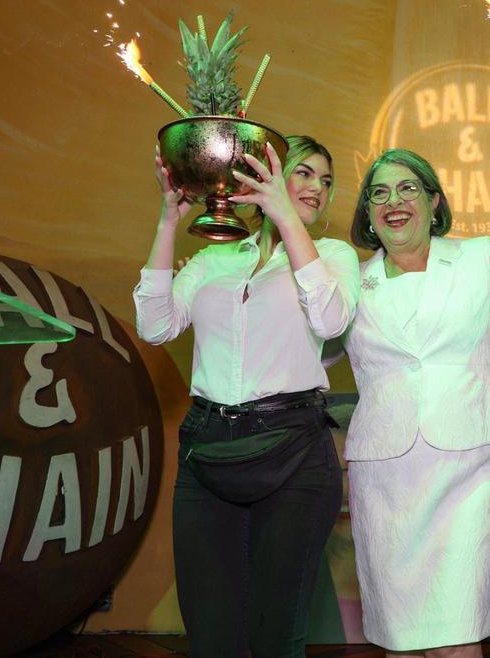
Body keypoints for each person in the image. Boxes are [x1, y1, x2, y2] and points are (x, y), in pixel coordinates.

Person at [133, 136, 359, 657]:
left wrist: (287, 221)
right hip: (208, 452)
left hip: (295, 452)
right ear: (263, 173)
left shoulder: (331, 255)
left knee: (276, 634)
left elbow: (330, 317)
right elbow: (155, 325)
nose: (316, 188)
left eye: (326, 182)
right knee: (212, 638)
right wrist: (168, 222)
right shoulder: (214, 259)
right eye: (303, 173)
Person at [341, 148, 490, 658]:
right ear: (369, 215)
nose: (393, 201)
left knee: (456, 634)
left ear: (434, 201)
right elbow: (311, 335)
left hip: (470, 468)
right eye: (379, 193)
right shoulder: (348, 279)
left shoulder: (480, 257)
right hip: (385, 476)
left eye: (407, 188)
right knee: (399, 638)